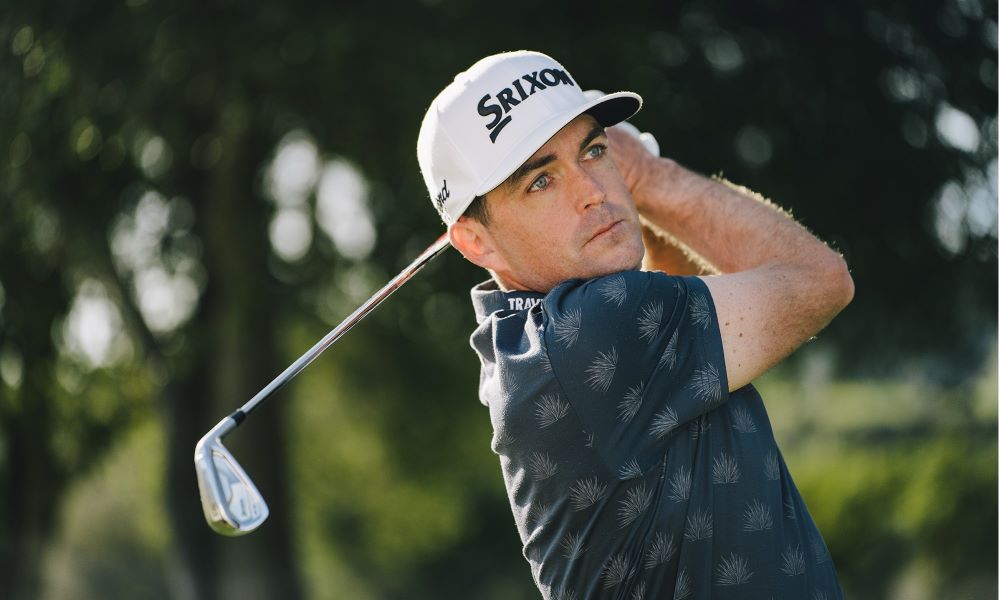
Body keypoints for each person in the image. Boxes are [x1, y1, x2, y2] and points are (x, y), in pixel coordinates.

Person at [417, 50, 853, 600]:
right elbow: (821, 280)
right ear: (476, 242)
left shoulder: (532, 345)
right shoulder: (596, 327)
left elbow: (678, 291)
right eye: (541, 181)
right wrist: (649, 176)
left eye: (594, 151)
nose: (593, 191)